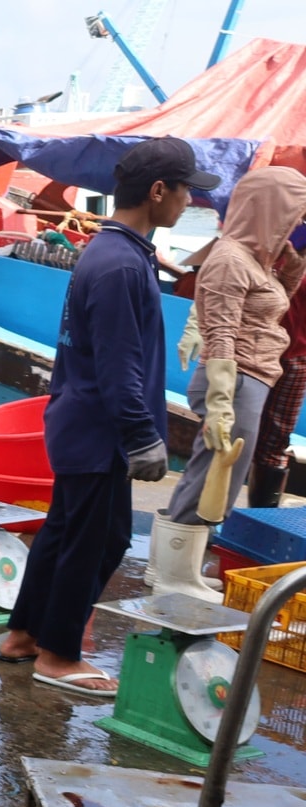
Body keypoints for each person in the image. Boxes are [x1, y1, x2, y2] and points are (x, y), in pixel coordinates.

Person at [0, 138, 219, 696]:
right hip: (98, 429)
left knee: (68, 533)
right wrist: (143, 437)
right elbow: (120, 363)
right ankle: (59, 654)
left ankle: (24, 634)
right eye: (186, 188)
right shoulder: (122, 263)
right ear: (158, 191)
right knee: (95, 541)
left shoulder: (111, 250)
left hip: (78, 421)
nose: (189, 200)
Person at [151, 165, 306, 599]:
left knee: (220, 478)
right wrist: (220, 403)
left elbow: (275, 307)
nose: (296, 221)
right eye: (292, 212)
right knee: (212, 476)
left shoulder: (254, 260)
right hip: (236, 378)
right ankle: (172, 574)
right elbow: (220, 333)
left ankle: (178, 568)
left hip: (251, 376)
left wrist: (291, 260)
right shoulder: (231, 259)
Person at [248, 226, 306, 507]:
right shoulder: (273, 238)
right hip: (255, 350)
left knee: (275, 440)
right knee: (233, 433)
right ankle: (206, 518)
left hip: (296, 356)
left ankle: (261, 518)